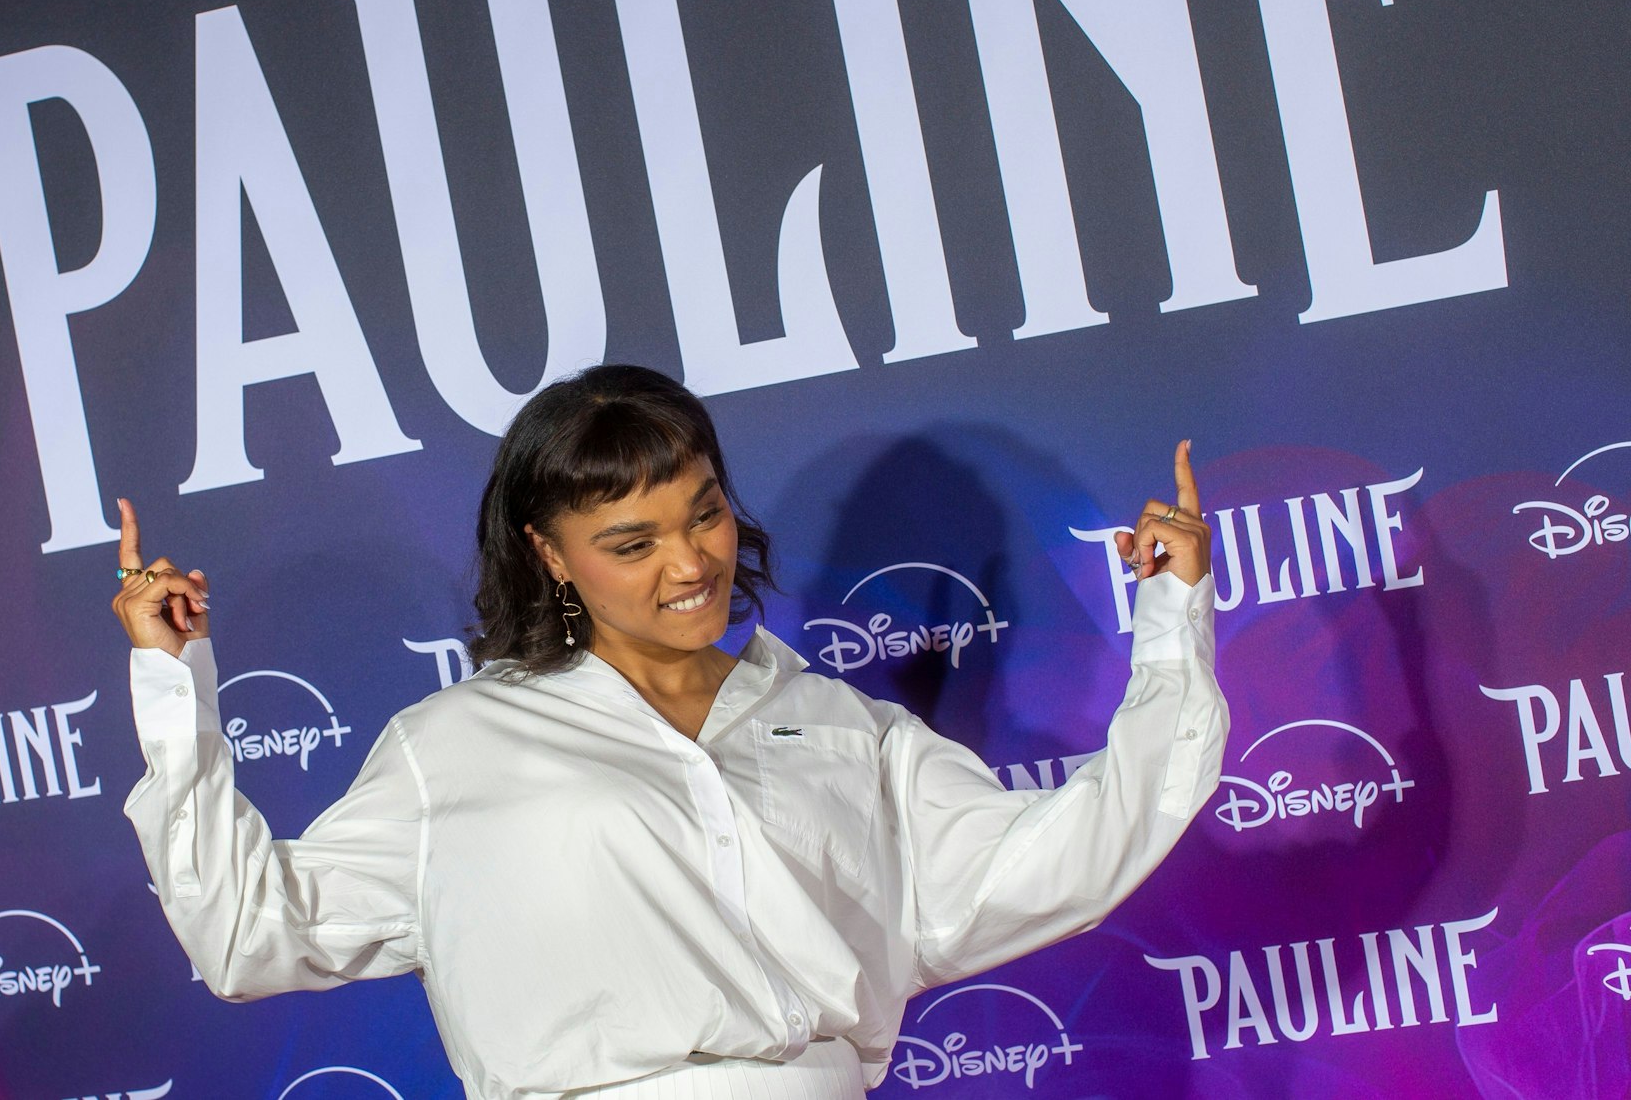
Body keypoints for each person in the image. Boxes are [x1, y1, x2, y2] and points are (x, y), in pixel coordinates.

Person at [113, 365, 1226, 1100]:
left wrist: (1170, 620)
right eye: (630, 541)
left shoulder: (838, 724)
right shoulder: (450, 746)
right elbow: (250, 936)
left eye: (701, 512)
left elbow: (1063, 861)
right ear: (550, 553)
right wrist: (172, 689)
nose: (690, 562)